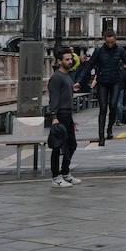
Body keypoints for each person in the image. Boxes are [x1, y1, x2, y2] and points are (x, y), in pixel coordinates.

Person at [75, 32, 126, 145]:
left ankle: (110, 128)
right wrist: (78, 81)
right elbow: (88, 66)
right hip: (102, 82)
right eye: (107, 42)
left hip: (116, 81)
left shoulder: (120, 50)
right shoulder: (98, 51)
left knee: (113, 105)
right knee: (102, 108)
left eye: (112, 42)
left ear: (115, 40)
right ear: (104, 40)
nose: (110, 44)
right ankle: (101, 136)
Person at [47, 50, 80, 187]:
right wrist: (54, 117)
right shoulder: (56, 77)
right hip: (60, 114)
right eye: (67, 59)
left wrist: (72, 88)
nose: (70, 61)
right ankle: (56, 177)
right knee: (57, 146)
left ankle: (65, 172)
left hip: (67, 114)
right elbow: (54, 98)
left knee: (72, 145)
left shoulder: (67, 76)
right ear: (59, 61)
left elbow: (64, 94)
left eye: (70, 59)